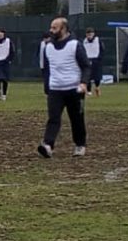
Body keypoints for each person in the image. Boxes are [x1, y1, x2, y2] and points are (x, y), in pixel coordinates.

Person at [37, 16, 91, 158]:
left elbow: (86, 66)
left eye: (54, 28)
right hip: (55, 89)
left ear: (64, 29)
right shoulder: (48, 47)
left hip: (74, 89)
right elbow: (47, 69)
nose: (51, 30)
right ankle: (48, 145)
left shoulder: (75, 45)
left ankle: (80, 144)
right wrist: (47, 87)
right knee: (53, 118)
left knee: (76, 118)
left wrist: (84, 82)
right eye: (51, 27)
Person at [81, 28, 105, 95]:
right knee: (88, 76)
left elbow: (102, 50)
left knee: (97, 76)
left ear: (93, 34)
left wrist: (99, 58)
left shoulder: (98, 40)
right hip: (87, 59)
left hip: (96, 59)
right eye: (88, 34)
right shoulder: (84, 41)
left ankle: (97, 87)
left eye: (91, 34)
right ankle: (89, 91)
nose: (89, 36)